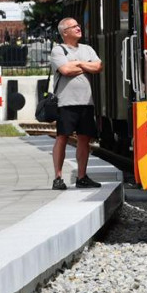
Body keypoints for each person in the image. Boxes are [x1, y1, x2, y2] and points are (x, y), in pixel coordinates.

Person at [50, 17, 103, 190]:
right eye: (74, 26)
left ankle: (82, 177)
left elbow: (98, 67)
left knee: (84, 139)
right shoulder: (58, 51)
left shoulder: (87, 49)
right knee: (62, 137)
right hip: (66, 102)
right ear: (65, 32)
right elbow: (65, 70)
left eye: (78, 26)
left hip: (86, 102)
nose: (79, 28)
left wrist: (78, 63)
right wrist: (86, 65)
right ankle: (58, 177)